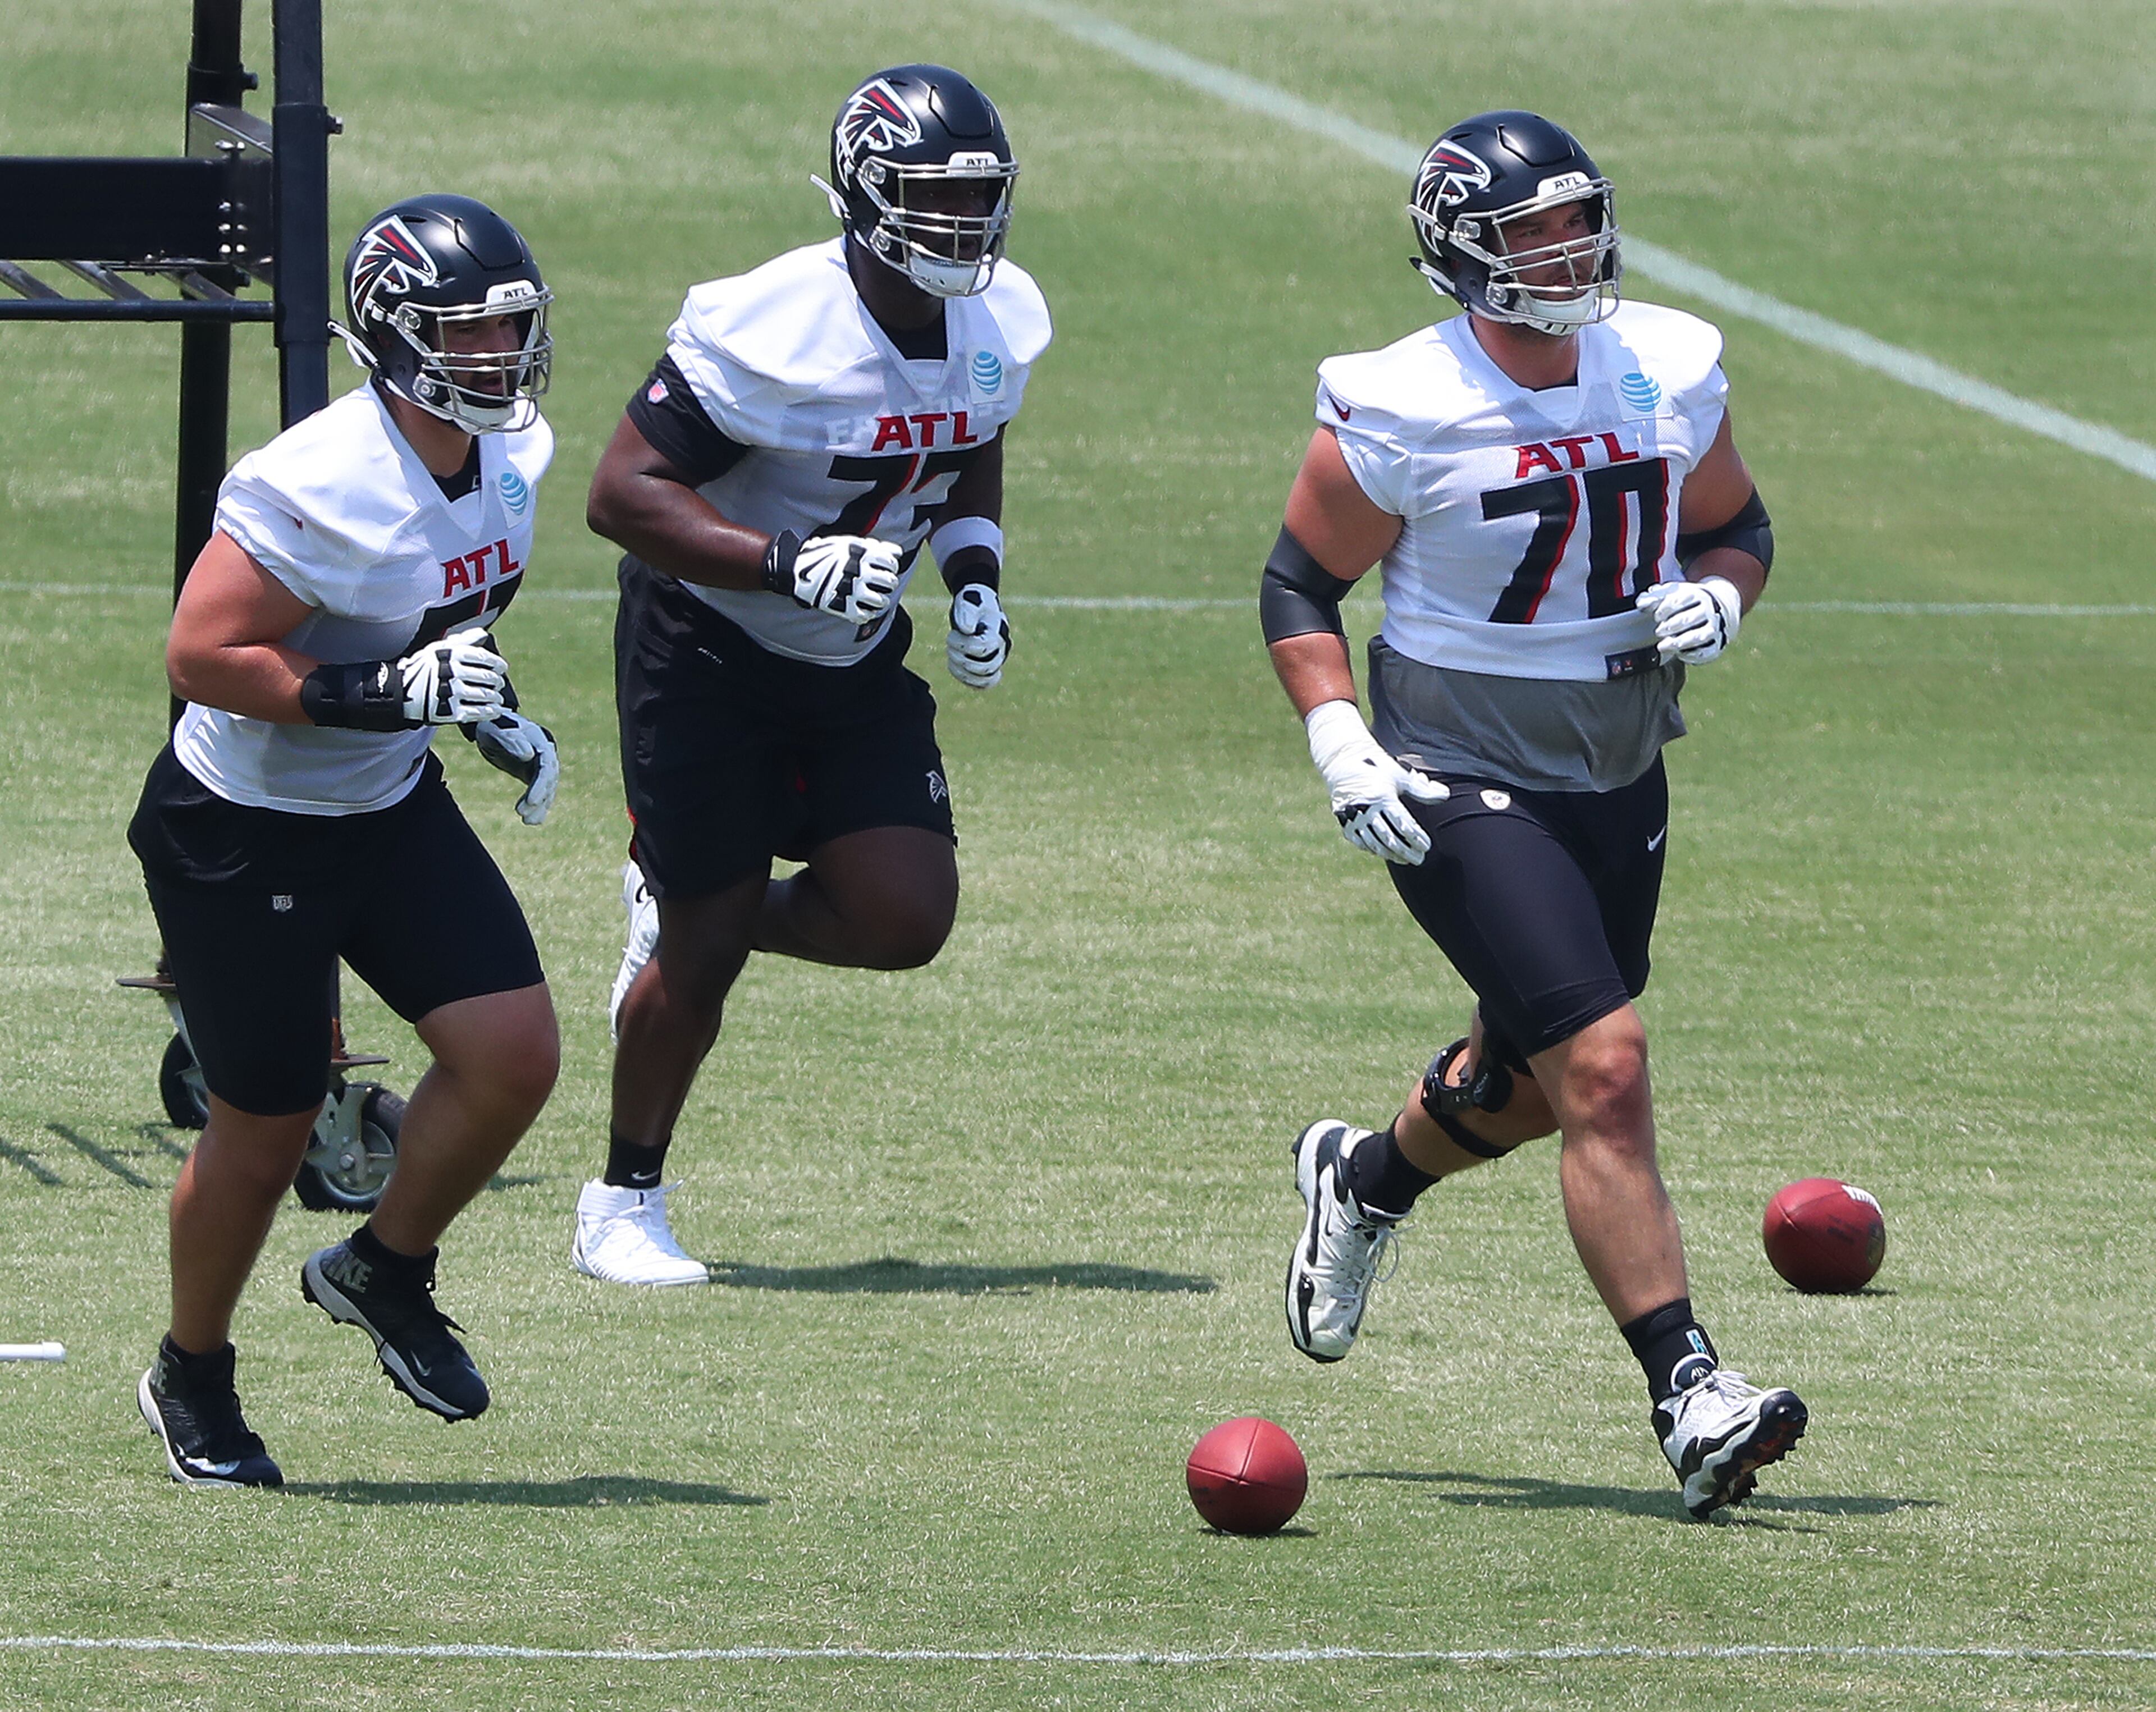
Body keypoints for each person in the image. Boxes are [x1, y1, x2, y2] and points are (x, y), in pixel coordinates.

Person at [1263, 112, 1806, 1518]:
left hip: (1621, 757)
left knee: (1537, 1076)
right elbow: (1298, 585)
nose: (1567, 252)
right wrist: (1339, 738)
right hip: (1454, 761)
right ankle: (1691, 1393)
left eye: (1579, 220)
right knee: (1607, 1068)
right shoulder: (1404, 399)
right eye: (1532, 231)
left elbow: (1738, 525)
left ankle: (1366, 1178)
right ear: (1463, 252)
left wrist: (1725, 595)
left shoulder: (1668, 364)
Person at [570, 65, 1050, 1285]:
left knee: (905, 916)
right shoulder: (774, 325)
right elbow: (620, 494)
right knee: (704, 954)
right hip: (708, 650)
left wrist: (977, 573)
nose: (967, 228)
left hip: (850, 654)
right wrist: (784, 560)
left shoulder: (998, 324)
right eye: (938, 202)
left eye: (981, 199)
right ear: (869, 197)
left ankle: (686, 904)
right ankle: (621, 1202)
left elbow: (967, 444)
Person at [129, 195, 563, 1485]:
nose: (501, 359)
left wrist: (489, 717)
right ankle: (191, 1371)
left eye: (511, 332)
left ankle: (381, 1266)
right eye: (469, 337)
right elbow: (201, 654)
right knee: (264, 1129)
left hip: (384, 796)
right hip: (246, 826)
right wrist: (387, 697)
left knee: (511, 1056)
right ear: (395, 338)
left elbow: (439, 618)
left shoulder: (510, 454)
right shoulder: (315, 481)